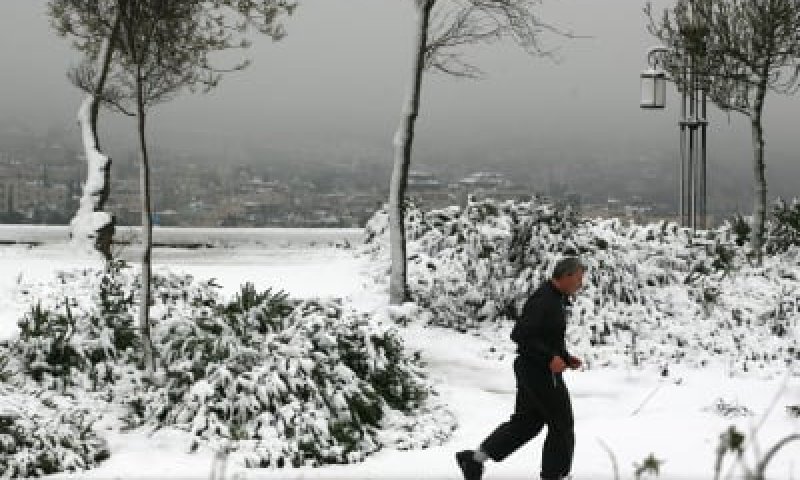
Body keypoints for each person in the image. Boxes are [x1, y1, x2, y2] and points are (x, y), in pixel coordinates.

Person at [456, 256, 586, 480]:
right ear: (566, 276)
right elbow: (520, 335)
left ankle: (474, 460)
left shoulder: (555, 299)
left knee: (527, 423)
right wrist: (549, 359)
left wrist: (564, 357)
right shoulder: (544, 300)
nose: (580, 284)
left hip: (534, 369)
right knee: (562, 424)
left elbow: (546, 337)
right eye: (579, 279)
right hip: (538, 372)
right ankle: (555, 476)